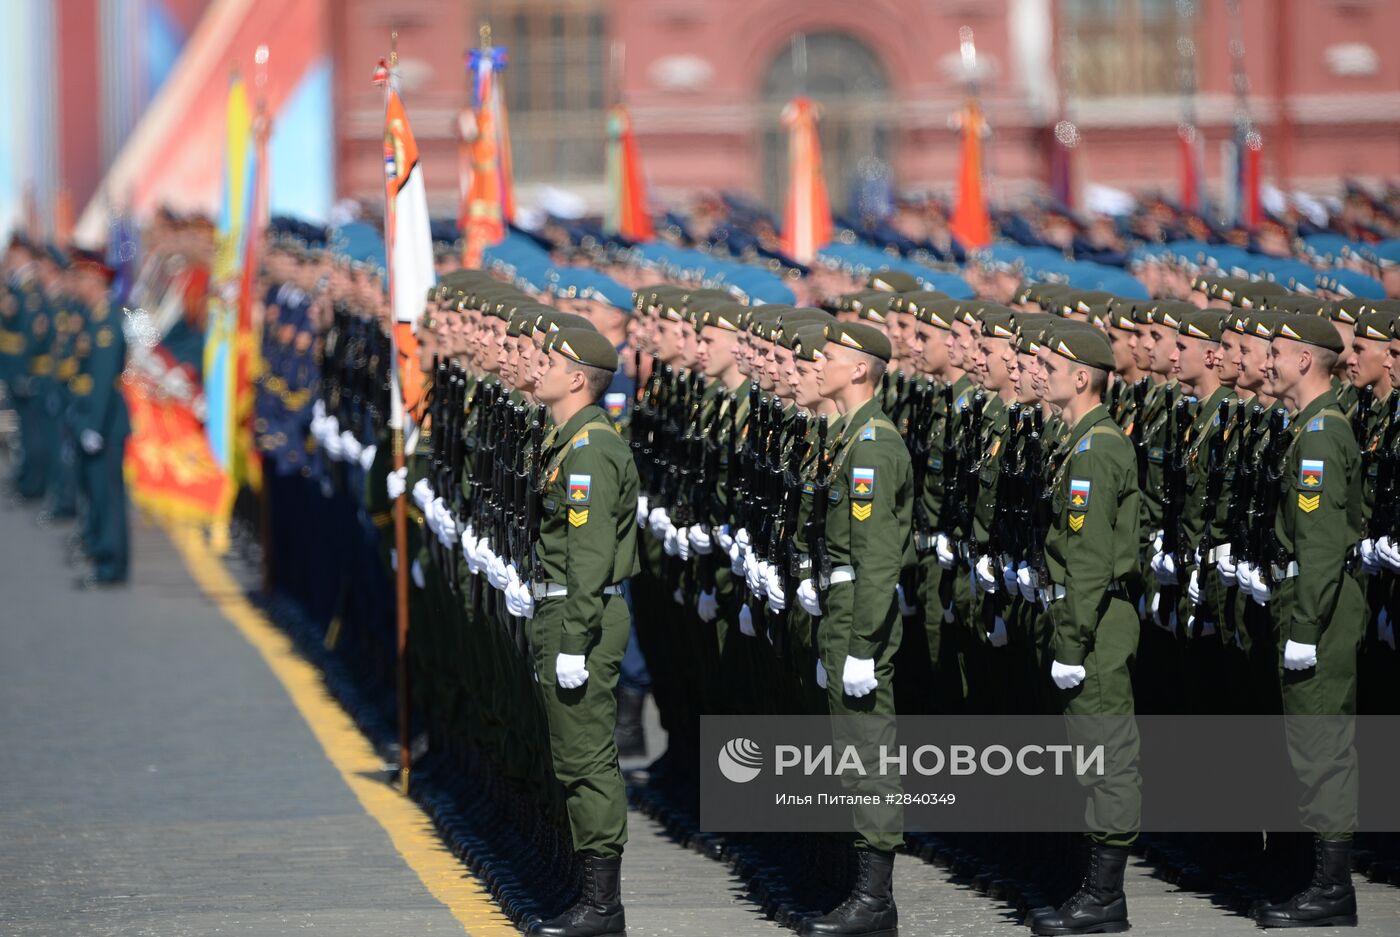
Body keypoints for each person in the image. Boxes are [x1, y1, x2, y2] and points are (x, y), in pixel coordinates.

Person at [796, 319, 911, 937]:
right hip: (841, 611)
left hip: (858, 614)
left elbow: (877, 556)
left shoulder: (872, 444)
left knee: (870, 753)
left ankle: (875, 900)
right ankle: (860, 890)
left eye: (831, 356)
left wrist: (864, 646)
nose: (819, 364)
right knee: (852, 753)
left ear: (861, 368)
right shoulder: (847, 437)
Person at [526, 327, 640, 937]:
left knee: (587, 758)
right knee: (571, 755)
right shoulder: (567, 440)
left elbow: (590, 555)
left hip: (581, 614)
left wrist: (574, 639)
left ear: (577, 379)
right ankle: (586, 892)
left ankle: (602, 906)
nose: (539, 367)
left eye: (551, 360)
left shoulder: (590, 449)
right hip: (564, 607)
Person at [1252, 314, 1365, 928]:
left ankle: (1332, 888)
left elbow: (1320, 544)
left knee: (1323, 745)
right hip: (1305, 595)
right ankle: (1316, 879)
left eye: (1273, 353)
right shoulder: (1306, 428)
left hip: (1317, 602)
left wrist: (1304, 627)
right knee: (1309, 743)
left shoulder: (1320, 434)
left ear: (1304, 360)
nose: (1265, 363)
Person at [1030, 325, 1141, 936]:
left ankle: (1105, 897)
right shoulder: (1080, 442)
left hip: (1095, 624)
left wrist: (1071, 642)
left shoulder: (1095, 449)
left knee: (1107, 757)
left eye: (1051, 364)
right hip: (1084, 617)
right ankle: (1092, 889)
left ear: (1081, 377)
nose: (1040, 372)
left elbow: (1091, 559)